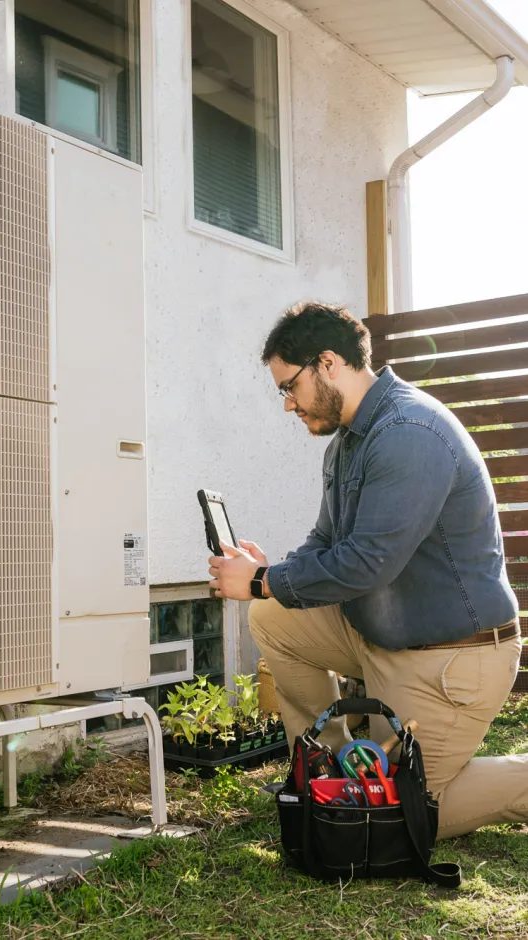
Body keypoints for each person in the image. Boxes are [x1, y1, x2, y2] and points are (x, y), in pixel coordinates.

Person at [208, 301, 527, 839]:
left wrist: (262, 580)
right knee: (274, 615)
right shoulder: (346, 445)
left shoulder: (409, 432)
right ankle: (327, 770)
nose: (287, 404)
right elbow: (326, 543)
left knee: (396, 818)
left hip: (452, 660)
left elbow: (366, 564)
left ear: (327, 363)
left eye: (288, 386)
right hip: (383, 640)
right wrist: (271, 577)